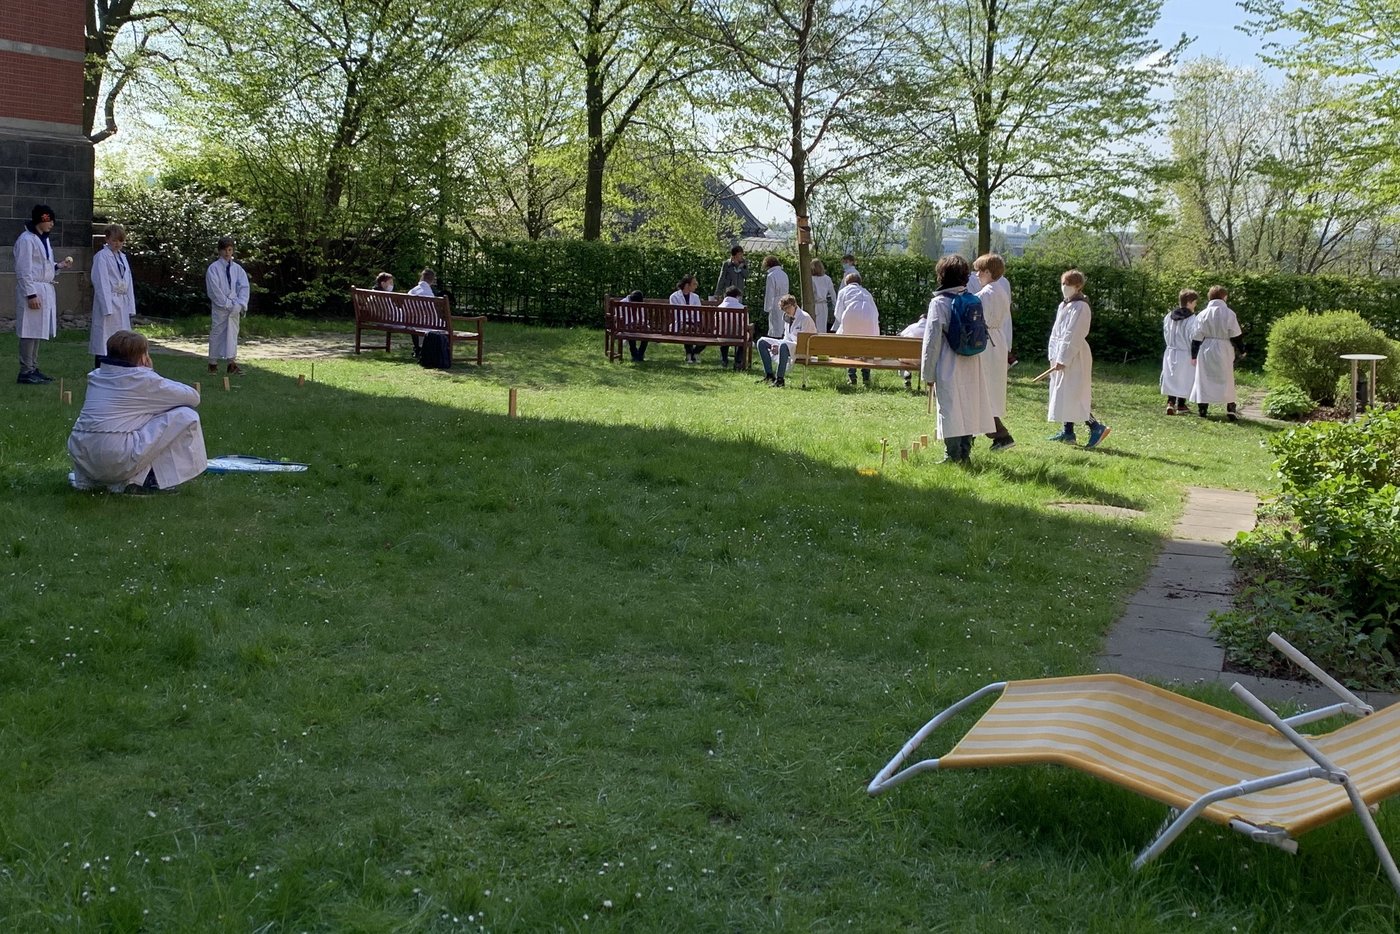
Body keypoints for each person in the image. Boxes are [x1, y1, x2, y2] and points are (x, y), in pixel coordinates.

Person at [68, 330, 207, 494]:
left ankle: (96, 480)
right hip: (114, 457)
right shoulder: (144, 380)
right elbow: (192, 397)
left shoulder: (96, 376)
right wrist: (151, 372)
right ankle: (148, 481)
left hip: (81, 454)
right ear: (142, 357)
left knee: (143, 417)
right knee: (186, 415)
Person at [922, 255, 995, 464]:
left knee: (950, 408)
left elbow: (932, 342)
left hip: (948, 362)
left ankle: (952, 456)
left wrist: (928, 373)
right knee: (969, 407)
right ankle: (965, 453)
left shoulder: (939, 303)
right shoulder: (973, 299)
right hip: (972, 361)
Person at [1046, 269, 1110, 448]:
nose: (1064, 287)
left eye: (1068, 284)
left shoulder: (1081, 307)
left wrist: (1064, 357)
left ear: (1078, 286)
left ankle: (1095, 426)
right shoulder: (1064, 305)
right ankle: (1067, 432)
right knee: (1063, 392)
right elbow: (1057, 332)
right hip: (1061, 353)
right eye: (1063, 284)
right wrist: (1054, 354)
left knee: (1073, 393)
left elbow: (1074, 334)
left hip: (1074, 354)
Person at [14, 204, 73, 384]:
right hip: (33, 289)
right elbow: (24, 269)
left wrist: (58, 266)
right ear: (41, 220)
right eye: (49, 221)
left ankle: (33, 366)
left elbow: (43, 265)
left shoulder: (43, 239)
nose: (52, 225)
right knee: (29, 330)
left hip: (44, 288)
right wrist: (31, 294)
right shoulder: (26, 240)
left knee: (38, 329)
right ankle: (25, 370)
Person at [973, 253, 1016, 450]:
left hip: (986, 342)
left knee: (981, 388)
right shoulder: (1000, 291)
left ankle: (998, 434)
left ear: (988, 272)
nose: (976, 275)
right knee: (986, 390)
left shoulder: (986, 294)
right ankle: (986, 433)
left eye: (979, 271)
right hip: (996, 341)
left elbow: (977, 319)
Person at [1189, 285, 1243, 421]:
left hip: (1206, 347)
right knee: (1227, 378)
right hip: (1224, 347)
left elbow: (1196, 337)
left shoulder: (1202, 314)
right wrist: (1242, 350)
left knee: (1204, 377)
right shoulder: (1229, 313)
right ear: (1224, 297)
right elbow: (1236, 335)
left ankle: (1203, 408)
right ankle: (1230, 408)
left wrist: (1194, 355)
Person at [89, 223, 136, 369]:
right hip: (109, 299)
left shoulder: (122, 257)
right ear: (107, 239)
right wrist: (106, 306)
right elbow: (101, 281)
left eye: (121, 241)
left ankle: (118, 365)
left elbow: (128, 281)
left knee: (122, 336)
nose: (118, 244)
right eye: (115, 240)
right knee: (105, 336)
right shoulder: (101, 257)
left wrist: (130, 306)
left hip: (121, 300)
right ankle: (101, 367)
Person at [205, 237, 250, 376]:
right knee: (217, 333)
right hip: (221, 307)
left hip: (234, 307)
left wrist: (240, 303)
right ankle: (213, 363)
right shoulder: (214, 268)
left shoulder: (238, 269)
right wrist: (226, 303)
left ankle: (231, 363)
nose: (227, 253)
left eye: (229, 250)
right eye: (224, 250)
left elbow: (244, 287)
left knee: (232, 334)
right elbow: (214, 289)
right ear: (219, 251)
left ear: (233, 251)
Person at [756, 294, 816, 387]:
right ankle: (769, 375)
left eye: (788, 308)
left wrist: (780, 346)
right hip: (790, 344)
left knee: (783, 346)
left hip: (803, 348)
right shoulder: (787, 317)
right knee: (762, 342)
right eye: (784, 309)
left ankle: (780, 379)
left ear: (794, 305)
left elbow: (804, 340)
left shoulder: (804, 317)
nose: (786, 311)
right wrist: (776, 345)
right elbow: (786, 337)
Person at [833, 272, 879, 385]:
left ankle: (852, 375)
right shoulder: (866, 292)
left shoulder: (844, 291)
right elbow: (875, 312)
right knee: (866, 346)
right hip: (869, 319)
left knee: (849, 345)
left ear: (846, 283)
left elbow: (838, 313)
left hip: (851, 315)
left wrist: (844, 322)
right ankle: (866, 376)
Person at [1161, 289, 1198, 415]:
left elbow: (1166, 332)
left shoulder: (1168, 316)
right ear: (1189, 302)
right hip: (1185, 351)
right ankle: (1181, 404)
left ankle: (1170, 402)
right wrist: (1194, 354)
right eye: (1194, 302)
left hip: (1170, 350)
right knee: (1184, 378)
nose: (1195, 305)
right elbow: (1193, 337)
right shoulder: (1192, 319)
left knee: (1172, 377)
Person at [713, 248, 747, 369]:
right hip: (728, 293)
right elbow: (722, 278)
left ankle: (736, 360)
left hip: (738, 294)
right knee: (726, 323)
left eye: (742, 255)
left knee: (736, 320)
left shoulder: (744, 263)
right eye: (739, 255)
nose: (741, 257)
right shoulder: (727, 264)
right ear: (733, 255)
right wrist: (717, 292)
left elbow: (746, 275)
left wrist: (741, 267)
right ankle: (725, 358)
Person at [670, 274, 705, 363]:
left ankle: (693, 353)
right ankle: (690, 354)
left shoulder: (696, 297)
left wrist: (695, 323)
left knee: (706, 334)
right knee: (687, 329)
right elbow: (678, 314)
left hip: (693, 323)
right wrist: (689, 322)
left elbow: (698, 313)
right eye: (694, 284)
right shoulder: (674, 297)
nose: (696, 286)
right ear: (687, 285)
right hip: (680, 323)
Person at [716, 286, 746, 369]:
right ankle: (738, 361)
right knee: (745, 336)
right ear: (737, 296)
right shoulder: (742, 307)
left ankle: (724, 359)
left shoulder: (720, 307)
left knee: (724, 334)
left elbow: (716, 324)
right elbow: (745, 324)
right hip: (738, 337)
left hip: (722, 337)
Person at [762, 256, 789, 339]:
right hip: (785, 301)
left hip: (775, 302)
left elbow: (770, 293)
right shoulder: (784, 274)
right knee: (782, 326)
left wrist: (767, 308)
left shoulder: (771, 275)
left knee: (775, 327)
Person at [898, 313, 927, 389]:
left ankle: (907, 376)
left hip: (908, 358)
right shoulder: (931, 329)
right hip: (924, 360)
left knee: (904, 356)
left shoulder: (911, 327)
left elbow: (900, 335)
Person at [809, 259, 838, 333]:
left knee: (811, 326)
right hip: (823, 305)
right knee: (822, 327)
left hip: (813, 304)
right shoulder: (827, 278)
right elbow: (832, 294)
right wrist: (835, 307)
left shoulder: (810, 279)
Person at [620, 289, 648, 362]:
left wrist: (640, 323)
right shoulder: (623, 303)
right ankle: (636, 354)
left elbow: (642, 318)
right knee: (631, 330)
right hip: (626, 327)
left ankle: (639, 354)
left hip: (633, 326)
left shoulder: (622, 303)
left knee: (647, 330)